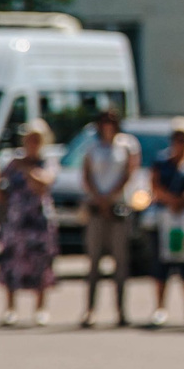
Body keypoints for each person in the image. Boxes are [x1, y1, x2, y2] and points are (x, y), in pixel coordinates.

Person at [79, 112, 141, 327]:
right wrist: (98, 198)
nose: (107, 126)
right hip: (97, 208)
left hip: (118, 208)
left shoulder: (126, 145)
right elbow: (86, 175)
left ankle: (121, 310)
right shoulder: (93, 147)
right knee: (94, 261)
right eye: (103, 122)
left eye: (111, 122)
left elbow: (129, 173)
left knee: (121, 262)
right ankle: (90, 310)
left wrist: (111, 197)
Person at [0, 121, 61, 326]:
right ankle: (10, 309)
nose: (32, 143)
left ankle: (40, 308)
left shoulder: (47, 161)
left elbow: (43, 184)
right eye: (29, 139)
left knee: (41, 262)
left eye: (37, 139)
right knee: (11, 261)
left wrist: (26, 169)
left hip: (39, 220)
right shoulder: (12, 162)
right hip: (16, 219)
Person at [149, 173, 184, 327]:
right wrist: (171, 200)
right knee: (162, 265)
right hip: (165, 218)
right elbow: (154, 183)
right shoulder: (163, 162)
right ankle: (160, 308)